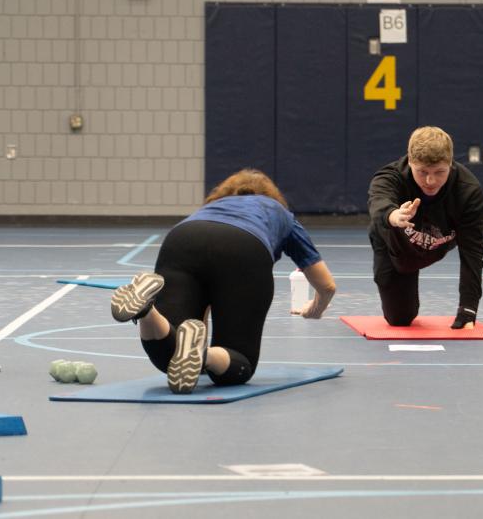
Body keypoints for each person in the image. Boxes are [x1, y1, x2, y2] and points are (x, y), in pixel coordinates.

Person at [110, 169, 336, 394]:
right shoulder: (280, 213)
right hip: (244, 246)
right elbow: (326, 286)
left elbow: (204, 296)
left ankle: (147, 311)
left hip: (182, 239)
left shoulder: (211, 207)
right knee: (241, 364)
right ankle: (203, 355)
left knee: (168, 356)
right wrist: (315, 308)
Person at [368, 126, 483, 330]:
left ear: (450, 163)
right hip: (395, 247)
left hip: (435, 247)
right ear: (410, 162)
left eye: (439, 172)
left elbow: (472, 253)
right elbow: (379, 203)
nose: (430, 181)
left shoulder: (468, 191)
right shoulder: (389, 177)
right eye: (422, 172)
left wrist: (468, 307)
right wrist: (394, 216)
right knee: (399, 319)